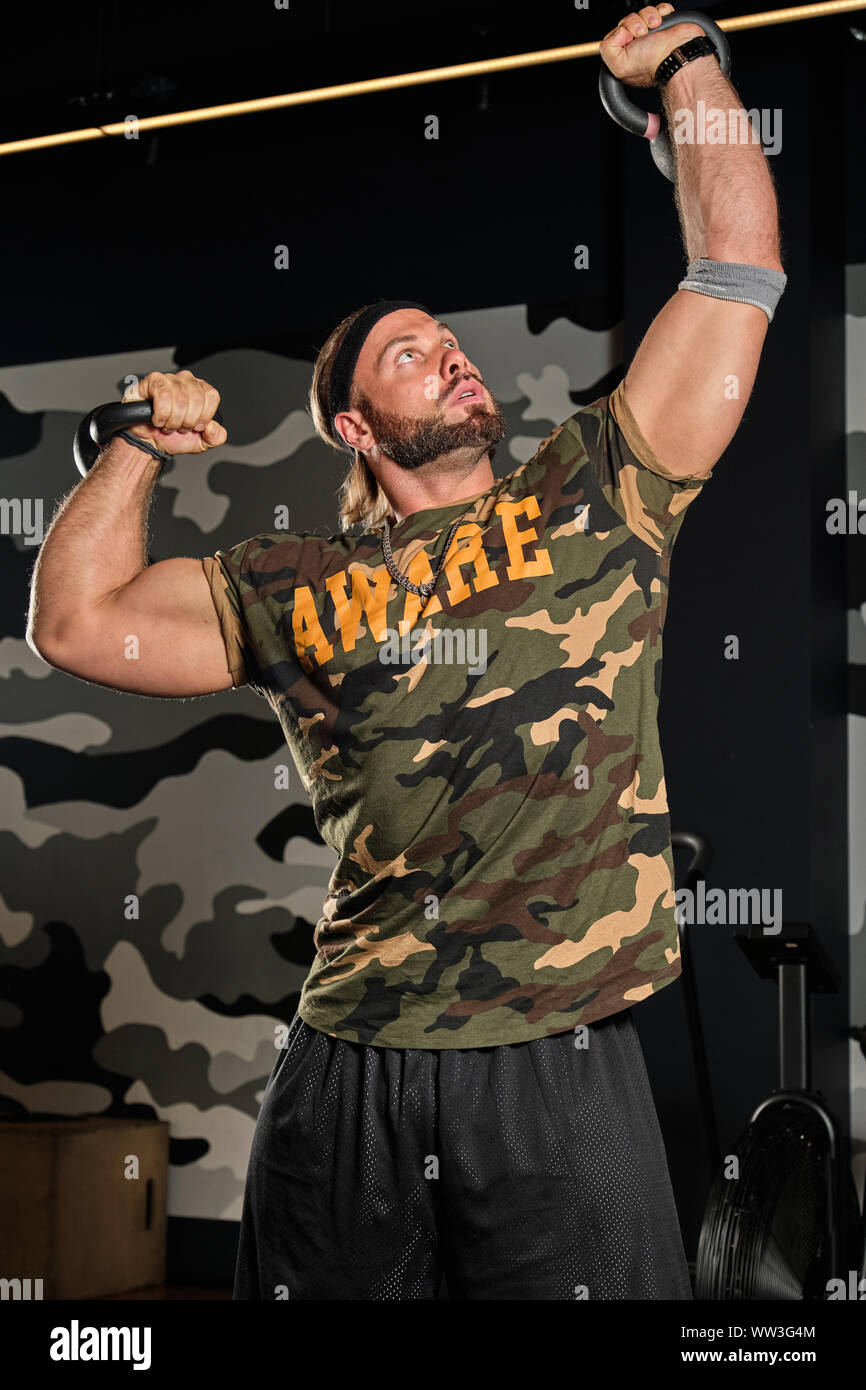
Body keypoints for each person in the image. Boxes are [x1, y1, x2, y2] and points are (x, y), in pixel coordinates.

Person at [27, 4, 785, 1300]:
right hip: (348, 1063)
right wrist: (134, 445)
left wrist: (685, 67)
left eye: (448, 341)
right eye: (404, 353)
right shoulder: (289, 578)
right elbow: (77, 624)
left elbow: (732, 270)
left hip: (556, 1054)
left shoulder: (597, 486)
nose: (446, 356)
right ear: (352, 423)